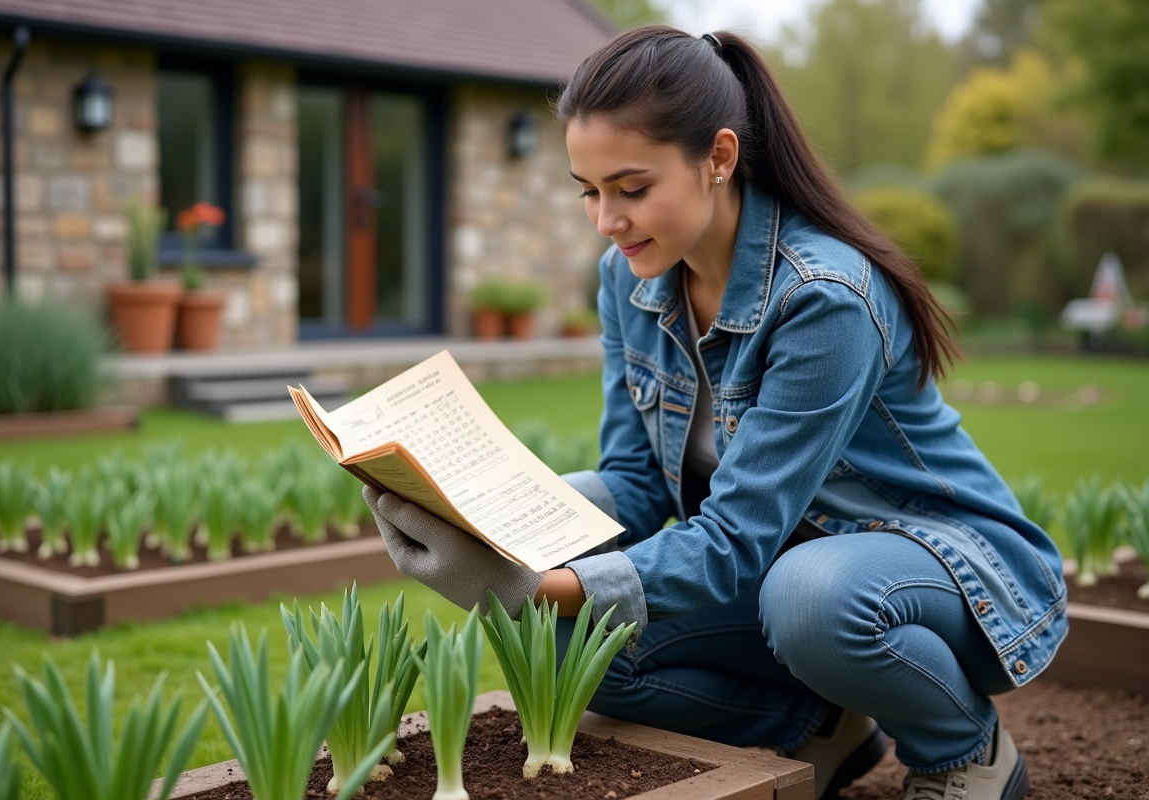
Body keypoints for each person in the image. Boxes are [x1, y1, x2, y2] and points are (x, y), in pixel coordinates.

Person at [363, 25, 1065, 800]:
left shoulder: (822, 297)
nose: (607, 220)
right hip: (780, 571)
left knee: (810, 597)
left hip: (938, 566)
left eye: (632, 189)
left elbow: (735, 539)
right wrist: (489, 520)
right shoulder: (628, 279)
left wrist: (531, 585)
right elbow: (636, 483)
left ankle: (965, 750)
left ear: (720, 159)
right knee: (572, 653)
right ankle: (820, 726)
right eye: (589, 192)